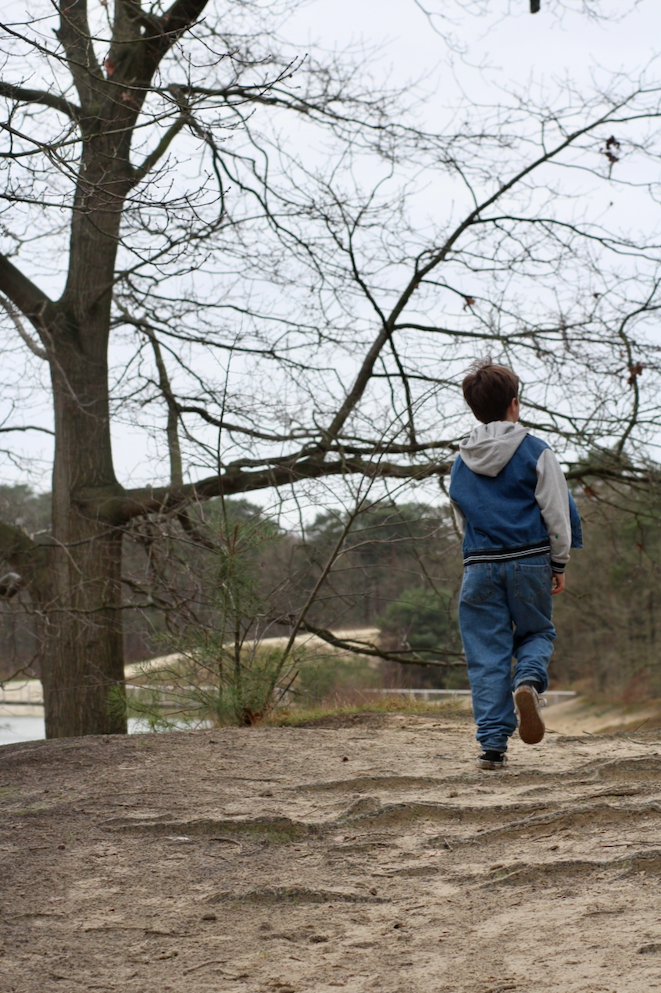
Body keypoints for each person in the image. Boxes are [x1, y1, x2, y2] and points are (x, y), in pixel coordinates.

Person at [449, 359, 582, 770]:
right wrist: (558, 562)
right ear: (514, 404)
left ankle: (492, 746)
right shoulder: (537, 451)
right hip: (528, 561)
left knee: (486, 653)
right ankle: (527, 681)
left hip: (479, 567)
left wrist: (477, 557)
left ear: (475, 410)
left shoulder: (460, 461)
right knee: (537, 631)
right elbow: (556, 512)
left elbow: (461, 517)